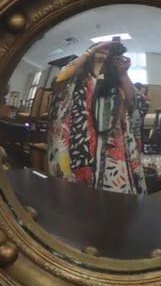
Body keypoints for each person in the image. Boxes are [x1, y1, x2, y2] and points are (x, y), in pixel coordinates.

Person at [46, 39, 149, 194]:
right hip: (79, 141)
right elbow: (57, 81)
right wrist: (90, 52)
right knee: (79, 193)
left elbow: (135, 104)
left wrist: (123, 74)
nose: (104, 49)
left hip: (112, 143)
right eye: (99, 46)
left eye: (107, 49)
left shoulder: (115, 81)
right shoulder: (76, 78)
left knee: (115, 190)